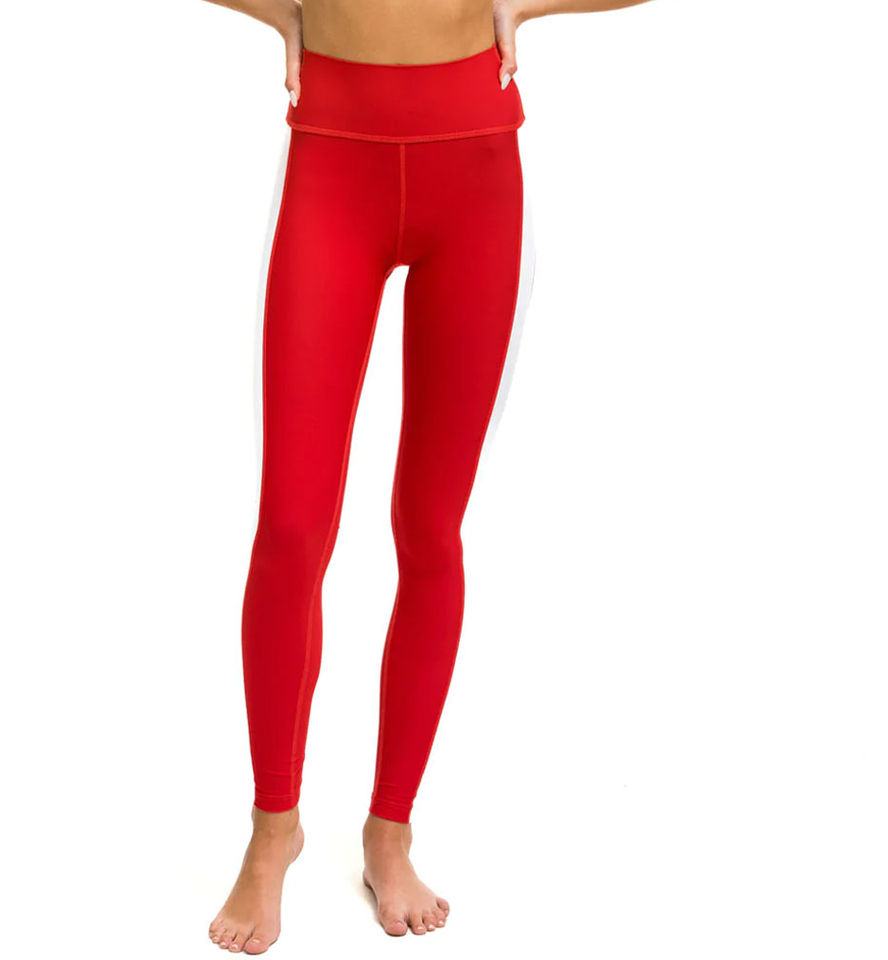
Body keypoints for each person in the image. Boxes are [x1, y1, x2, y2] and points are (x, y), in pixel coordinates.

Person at [201, 0, 653, 952]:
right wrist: (277, 11)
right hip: (333, 155)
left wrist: (525, 2)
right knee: (291, 528)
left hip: (476, 170)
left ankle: (391, 829)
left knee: (429, 529)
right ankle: (274, 829)